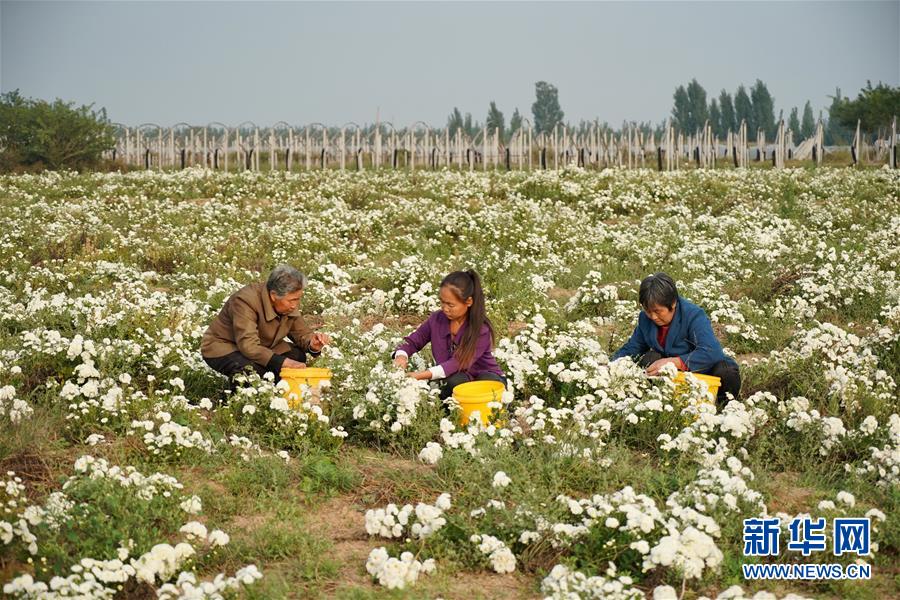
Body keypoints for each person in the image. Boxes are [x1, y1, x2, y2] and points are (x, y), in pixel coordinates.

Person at [611, 272, 740, 406]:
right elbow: (633, 348)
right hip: (674, 376)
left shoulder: (693, 315)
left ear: (673, 304)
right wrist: (611, 365)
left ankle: (724, 407)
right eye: (648, 311)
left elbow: (712, 352)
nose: (653, 317)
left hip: (703, 371)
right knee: (649, 359)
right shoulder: (645, 319)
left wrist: (675, 362)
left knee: (726, 371)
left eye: (657, 311)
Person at [201, 265, 330, 381]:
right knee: (251, 370)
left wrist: (312, 344)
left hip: (263, 345)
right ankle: (239, 400)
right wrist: (282, 362)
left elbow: (301, 332)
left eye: (298, 299)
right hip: (225, 346)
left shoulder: (285, 301)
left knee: (298, 356)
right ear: (274, 296)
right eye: (292, 300)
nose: (295, 305)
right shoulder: (245, 300)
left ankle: (279, 391)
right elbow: (248, 346)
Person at [392, 270, 506, 399]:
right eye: (442, 302)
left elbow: (457, 363)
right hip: (458, 379)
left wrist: (421, 375)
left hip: (487, 378)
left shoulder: (480, 329)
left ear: (468, 302)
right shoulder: (436, 320)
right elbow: (413, 341)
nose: (445, 308)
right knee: (455, 382)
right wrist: (401, 356)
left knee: (486, 383)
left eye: (450, 304)